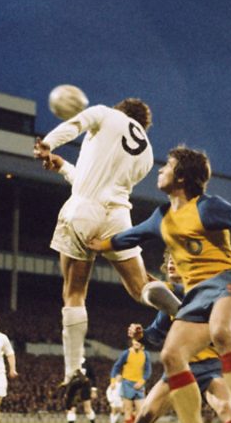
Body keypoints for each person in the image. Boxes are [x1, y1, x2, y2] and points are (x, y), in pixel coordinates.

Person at [88, 145, 231, 423]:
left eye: (166, 166)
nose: (160, 170)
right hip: (196, 295)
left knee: (222, 332)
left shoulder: (206, 207)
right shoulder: (161, 218)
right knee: (171, 355)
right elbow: (128, 237)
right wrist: (97, 245)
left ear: (181, 176)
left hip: (227, 281)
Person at [32, 98, 180, 384]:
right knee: (140, 287)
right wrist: (63, 167)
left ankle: (74, 370)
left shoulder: (104, 114)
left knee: (74, 292)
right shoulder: (147, 153)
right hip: (119, 219)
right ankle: (183, 309)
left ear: (120, 109)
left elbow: (75, 125)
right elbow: (100, 183)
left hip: (83, 210)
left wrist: (48, 144)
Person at [106, 253, 231, 423]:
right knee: (143, 418)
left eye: (177, 259)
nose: (172, 263)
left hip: (209, 364)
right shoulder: (171, 296)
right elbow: (157, 332)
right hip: (180, 367)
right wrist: (142, 335)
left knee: (226, 408)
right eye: (168, 261)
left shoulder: (207, 289)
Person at [110, 337, 151, 423]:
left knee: (141, 411)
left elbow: (148, 371)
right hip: (127, 383)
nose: (137, 343)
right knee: (128, 409)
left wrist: (141, 382)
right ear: (132, 341)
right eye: (135, 340)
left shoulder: (146, 354)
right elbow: (116, 366)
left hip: (139, 385)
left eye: (139, 341)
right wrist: (113, 381)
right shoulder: (126, 353)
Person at [63, 359, 97, 423]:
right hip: (74, 388)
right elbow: (68, 378)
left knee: (87, 409)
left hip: (85, 388)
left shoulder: (86, 363)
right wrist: (67, 391)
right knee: (71, 408)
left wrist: (94, 390)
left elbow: (93, 377)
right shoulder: (71, 363)